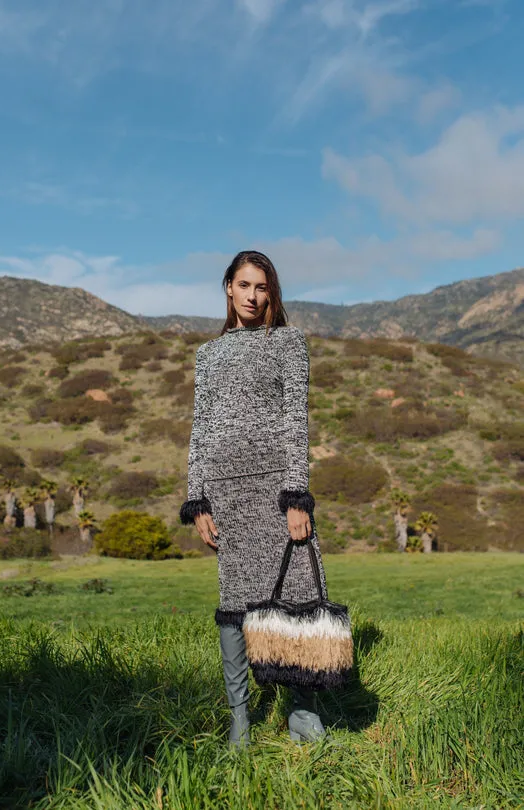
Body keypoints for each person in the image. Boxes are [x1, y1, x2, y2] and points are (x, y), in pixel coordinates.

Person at [179, 250, 329, 749]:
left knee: (299, 594)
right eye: (243, 285)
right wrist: (196, 500)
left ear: (272, 293)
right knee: (235, 603)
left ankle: (303, 715)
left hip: (274, 488)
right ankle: (239, 718)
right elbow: (199, 431)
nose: (251, 295)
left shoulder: (288, 343)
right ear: (228, 288)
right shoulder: (209, 354)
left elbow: (295, 422)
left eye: (261, 287)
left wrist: (295, 495)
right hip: (225, 490)